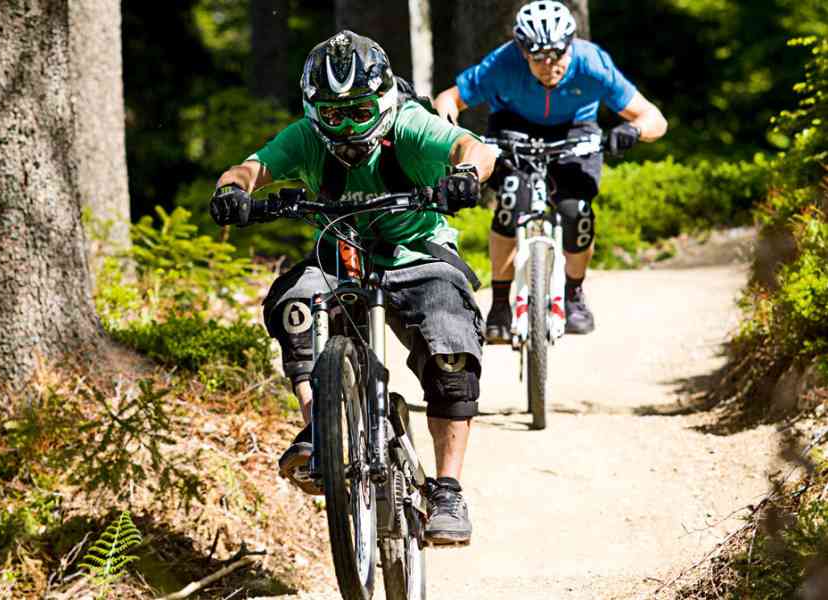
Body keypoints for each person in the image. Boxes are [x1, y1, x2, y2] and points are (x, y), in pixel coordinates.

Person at [209, 30, 496, 546]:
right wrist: (233, 190)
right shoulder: (304, 137)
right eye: (333, 114)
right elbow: (249, 168)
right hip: (338, 256)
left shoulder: (410, 124)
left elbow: (470, 147)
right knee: (295, 305)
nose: (345, 125)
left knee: (451, 348)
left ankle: (448, 490)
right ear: (313, 111)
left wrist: (467, 174)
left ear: (382, 102)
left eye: (359, 111)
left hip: (416, 255)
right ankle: (320, 431)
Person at [434, 0, 668, 341]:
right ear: (522, 51)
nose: (549, 66)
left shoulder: (592, 63)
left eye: (557, 55)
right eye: (538, 57)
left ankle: (574, 294)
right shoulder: (502, 62)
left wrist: (632, 130)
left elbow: (655, 118)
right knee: (511, 202)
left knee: (577, 212)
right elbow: (449, 99)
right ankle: (499, 304)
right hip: (514, 127)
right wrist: (450, 132)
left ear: (570, 45)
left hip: (575, 130)